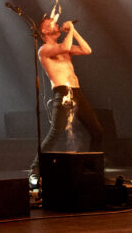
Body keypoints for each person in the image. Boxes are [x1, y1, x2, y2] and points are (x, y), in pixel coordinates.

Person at [31, 17, 104, 178]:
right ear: (44, 31)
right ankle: (35, 170)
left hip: (77, 92)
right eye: (53, 24)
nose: (57, 25)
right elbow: (65, 47)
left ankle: (93, 170)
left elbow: (87, 50)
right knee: (54, 133)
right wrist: (69, 30)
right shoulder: (44, 49)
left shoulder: (61, 47)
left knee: (97, 131)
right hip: (62, 92)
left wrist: (74, 30)